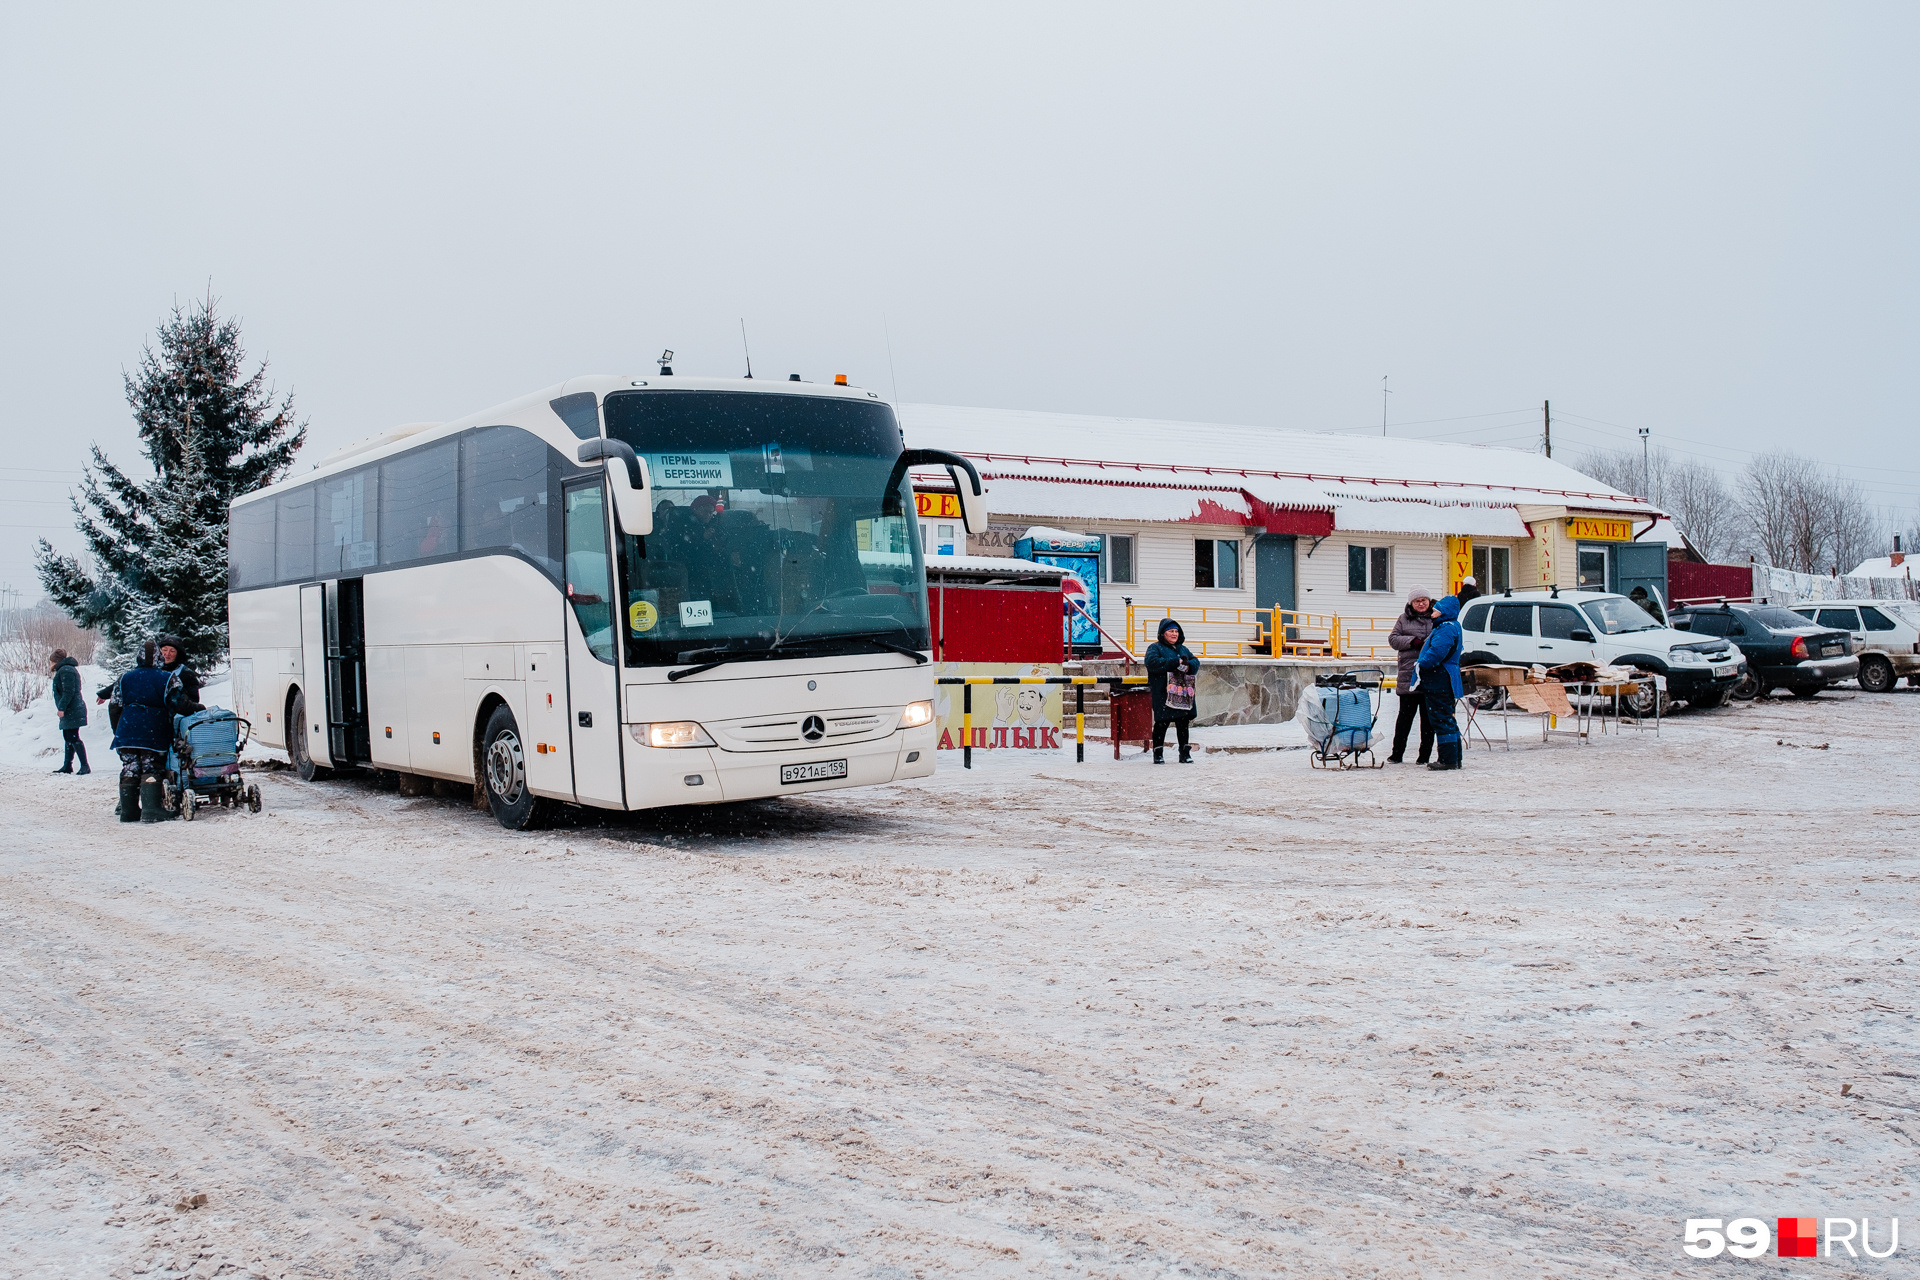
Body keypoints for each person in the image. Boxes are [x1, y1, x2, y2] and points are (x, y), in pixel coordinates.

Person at [109, 640, 176, 822]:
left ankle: (128, 811)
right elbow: (178, 703)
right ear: (159, 658)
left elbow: (114, 707)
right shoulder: (167, 678)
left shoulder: (124, 678)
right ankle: (151, 809)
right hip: (153, 730)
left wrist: (119, 730)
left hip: (126, 731)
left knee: (130, 767)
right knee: (151, 765)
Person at [1385, 588, 1436, 765]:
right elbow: (1393, 639)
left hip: (1430, 675)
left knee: (1428, 720)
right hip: (1408, 675)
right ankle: (1396, 754)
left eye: (1424, 600)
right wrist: (1412, 641)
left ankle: (1424, 756)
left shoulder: (1437, 617)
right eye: (1417, 601)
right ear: (1411, 604)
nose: (1421, 603)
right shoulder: (1403, 619)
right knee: (1404, 719)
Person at [1416, 595, 1465, 771]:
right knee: (1448, 718)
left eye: (1437, 609)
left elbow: (1437, 653)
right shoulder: (1452, 626)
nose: (1433, 611)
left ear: (1445, 611)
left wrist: (1421, 663)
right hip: (1446, 678)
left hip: (1439, 679)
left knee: (1441, 719)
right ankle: (1454, 757)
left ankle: (1448, 759)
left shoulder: (1445, 628)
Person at [1145, 618, 1200, 764]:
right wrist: (1175, 662)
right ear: (1163, 633)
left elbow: (1195, 661)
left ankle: (1184, 753)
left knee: (1183, 722)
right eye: (1171, 631)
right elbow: (1152, 663)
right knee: (1162, 723)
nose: (1174, 634)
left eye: (1176, 631)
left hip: (1181, 693)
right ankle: (1158, 753)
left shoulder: (1183, 649)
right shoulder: (1155, 648)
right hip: (1163, 692)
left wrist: (1189, 666)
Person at [50, 649, 90, 775]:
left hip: (72, 709)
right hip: (72, 708)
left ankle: (84, 765)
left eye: (51, 662)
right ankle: (68, 765)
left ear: (56, 661)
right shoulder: (66, 669)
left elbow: (68, 692)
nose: (50, 665)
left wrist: (62, 707)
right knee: (68, 737)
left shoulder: (66, 670)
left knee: (72, 737)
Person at [154, 634, 204, 716]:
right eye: (164, 650)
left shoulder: (186, 674)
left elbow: (193, 700)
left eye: (172, 651)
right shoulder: (153, 671)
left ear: (178, 654)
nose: (167, 654)